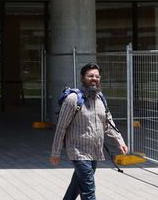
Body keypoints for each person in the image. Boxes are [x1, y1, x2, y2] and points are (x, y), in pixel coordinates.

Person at [49, 62, 128, 200]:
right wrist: (56, 152)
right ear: (82, 77)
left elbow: (108, 123)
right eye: (90, 76)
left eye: (97, 76)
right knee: (88, 189)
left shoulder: (100, 98)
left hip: (94, 150)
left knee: (78, 184)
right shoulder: (73, 99)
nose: (94, 79)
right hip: (78, 151)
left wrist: (119, 140)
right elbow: (61, 127)